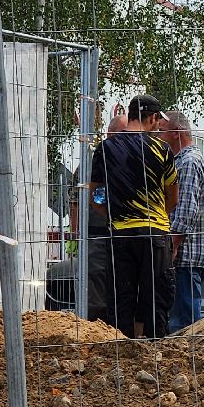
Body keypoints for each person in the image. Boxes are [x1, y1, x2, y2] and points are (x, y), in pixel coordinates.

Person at [92, 94, 177, 338]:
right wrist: (157, 214)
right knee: (156, 301)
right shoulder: (162, 150)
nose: (158, 126)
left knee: (121, 301)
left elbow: (96, 196)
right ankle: (156, 355)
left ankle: (122, 355)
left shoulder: (105, 149)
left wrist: (114, 215)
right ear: (152, 118)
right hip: (155, 234)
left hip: (120, 233)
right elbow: (173, 197)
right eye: (157, 122)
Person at [160, 109, 204, 332]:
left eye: (161, 131)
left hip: (185, 258)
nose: (158, 136)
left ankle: (189, 364)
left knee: (184, 326)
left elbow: (185, 211)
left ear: (176, 133)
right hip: (186, 257)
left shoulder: (188, 163)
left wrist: (171, 247)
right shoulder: (183, 161)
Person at [73, 106, 125, 325]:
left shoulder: (129, 163)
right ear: (110, 135)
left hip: (122, 239)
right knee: (94, 296)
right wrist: (76, 235)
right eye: (123, 135)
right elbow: (75, 201)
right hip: (95, 238)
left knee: (121, 296)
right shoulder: (90, 165)